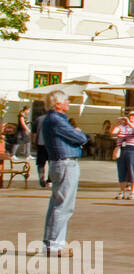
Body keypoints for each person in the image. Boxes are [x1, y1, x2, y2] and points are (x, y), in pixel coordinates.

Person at [39, 90, 88, 256]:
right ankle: (54, 244)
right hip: (65, 163)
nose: (68, 103)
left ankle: (54, 242)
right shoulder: (56, 120)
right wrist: (80, 133)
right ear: (58, 104)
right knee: (63, 205)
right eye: (66, 100)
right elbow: (80, 138)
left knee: (59, 204)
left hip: (61, 162)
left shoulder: (52, 119)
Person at [110, 112, 134, 200]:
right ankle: (122, 191)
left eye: (133, 116)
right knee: (121, 171)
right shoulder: (122, 127)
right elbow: (113, 132)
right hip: (122, 150)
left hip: (133, 150)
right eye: (130, 115)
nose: (131, 117)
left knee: (133, 170)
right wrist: (116, 122)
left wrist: (129, 123)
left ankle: (132, 192)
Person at [32, 104, 49, 187]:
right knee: (52, 162)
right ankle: (50, 178)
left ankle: (41, 178)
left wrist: (34, 142)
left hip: (40, 143)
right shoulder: (53, 119)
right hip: (51, 144)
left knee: (40, 163)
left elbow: (34, 132)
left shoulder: (38, 119)